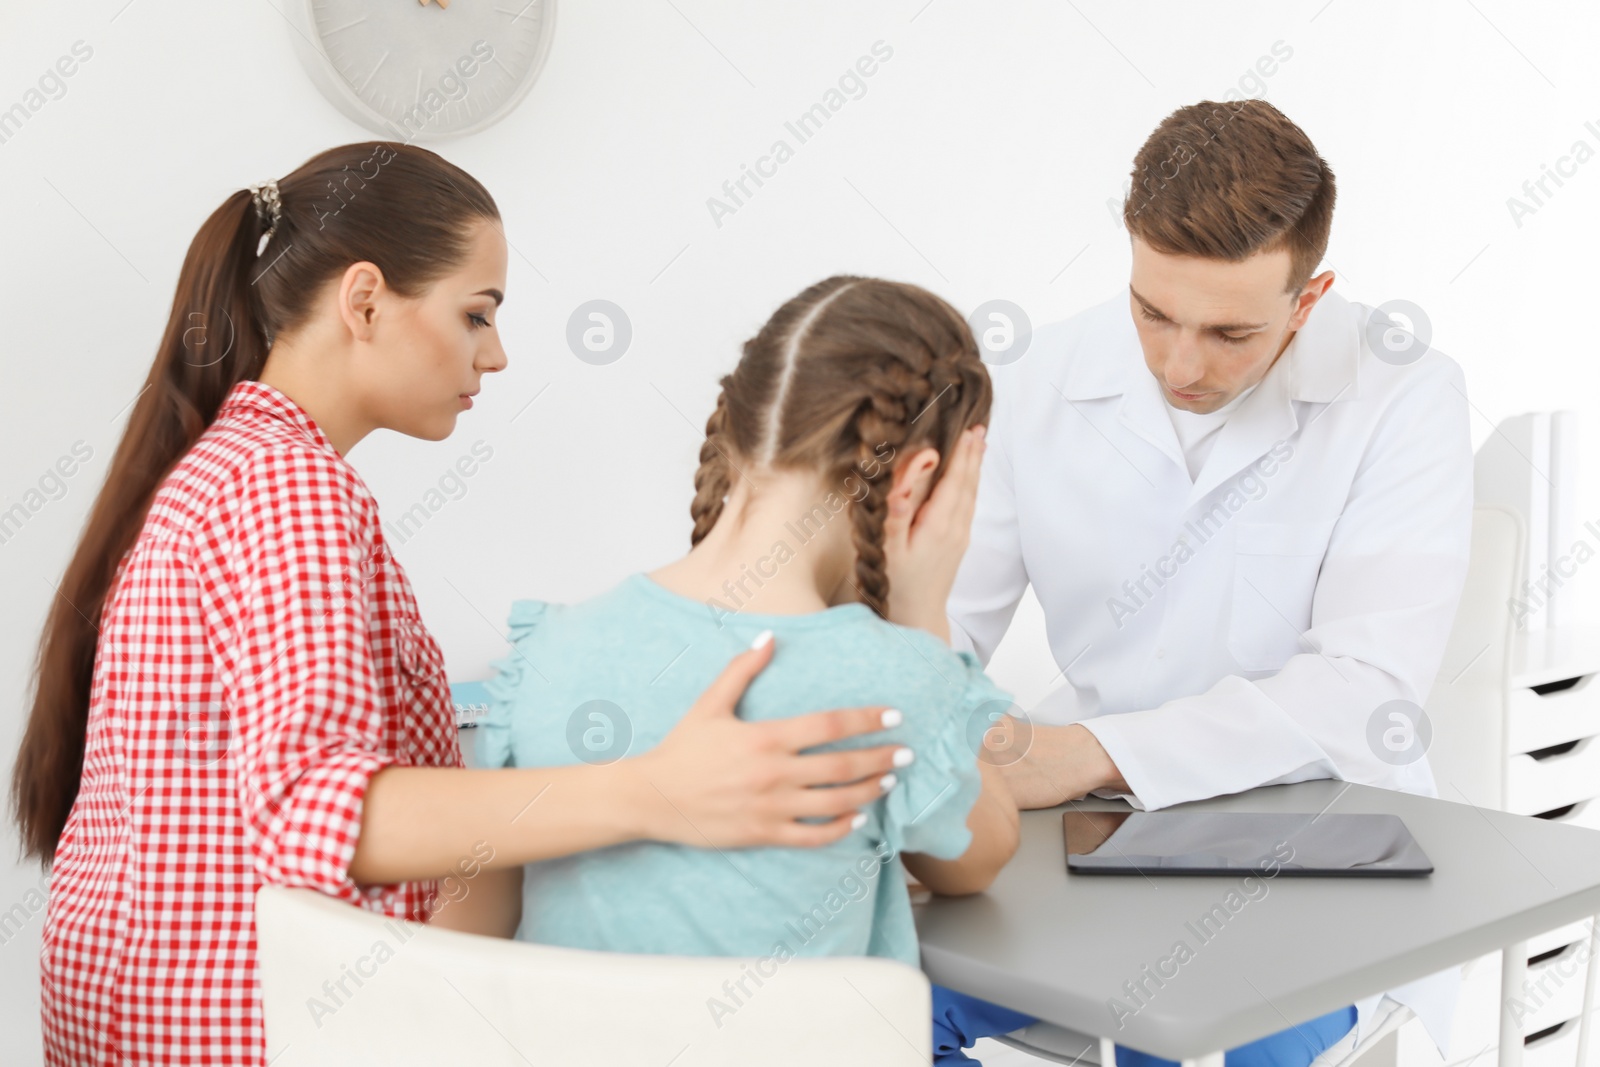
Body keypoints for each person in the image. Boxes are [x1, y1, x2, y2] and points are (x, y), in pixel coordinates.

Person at [9, 144, 929, 1066]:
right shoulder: (288, 489)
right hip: (236, 1031)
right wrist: (656, 793)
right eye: (476, 314)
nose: (495, 353)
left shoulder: (230, 464)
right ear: (363, 300)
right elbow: (307, 807)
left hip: (136, 1011)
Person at [939, 100, 1473, 1064]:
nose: (1179, 364)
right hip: (1094, 844)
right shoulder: (1039, 377)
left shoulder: (1404, 394)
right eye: (1153, 312)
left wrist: (1091, 749)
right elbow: (941, 629)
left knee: (1188, 1042)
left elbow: (1365, 691)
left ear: (1308, 301)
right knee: (871, 1001)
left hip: (1315, 838)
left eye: (1230, 333)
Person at [466, 277, 1020, 977]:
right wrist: (922, 619)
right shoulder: (893, 680)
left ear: (732, 427)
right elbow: (980, 856)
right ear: (914, 483)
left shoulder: (546, 648)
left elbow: (472, 942)